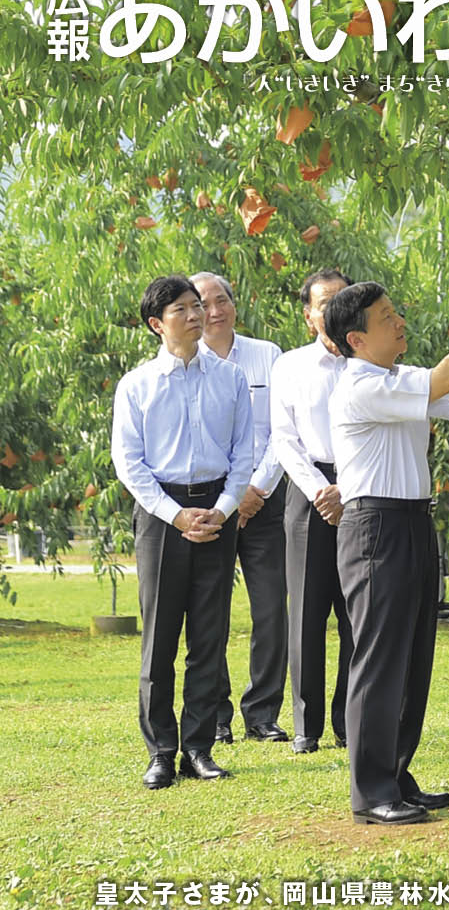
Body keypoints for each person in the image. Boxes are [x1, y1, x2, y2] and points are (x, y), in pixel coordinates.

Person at [325, 273, 449, 824]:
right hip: (375, 528)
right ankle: (371, 792)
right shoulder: (362, 385)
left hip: (412, 522)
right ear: (356, 341)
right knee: (379, 659)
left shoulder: (395, 377)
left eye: (395, 311)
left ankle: (396, 774)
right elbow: (445, 377)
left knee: (413, 657)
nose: (399, 322)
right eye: (386, 317)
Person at [112, 275, 253, 790]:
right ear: (157, 323)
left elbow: (244, 451)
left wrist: (223, 508)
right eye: (183, 309)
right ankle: (161, 752)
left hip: (216, 511)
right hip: (160, 516)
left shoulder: (231, 378)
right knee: (161, 638)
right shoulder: (137, 385)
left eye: (199, 306)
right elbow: (129, 463)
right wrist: (174, 515)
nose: (197, 315)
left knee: (209, 636)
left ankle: (199, 747)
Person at [191, 272, 288, 747]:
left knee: (271, 610)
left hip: (265, 503)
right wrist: (231, 496)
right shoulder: (189, 364)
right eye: (203, 303)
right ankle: (217, 716)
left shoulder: (268, 355)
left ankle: (263, 713)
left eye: (221, 299)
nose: (214, 311)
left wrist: (257, 489)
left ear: (234, 302)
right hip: (212, 504)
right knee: (212, 612)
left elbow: (282, 431)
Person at [269, 269, 354, 754]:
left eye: (342, 298)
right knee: (306, 613)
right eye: (324, 302)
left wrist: (347, 487)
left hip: (360, 487)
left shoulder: (371, 361)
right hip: (308, 494)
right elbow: (283, 438)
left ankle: (348, 719)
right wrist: (323, 490)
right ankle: (307, 725)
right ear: (309, 315)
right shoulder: (291, 366)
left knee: (355, 614)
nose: (333, 307)